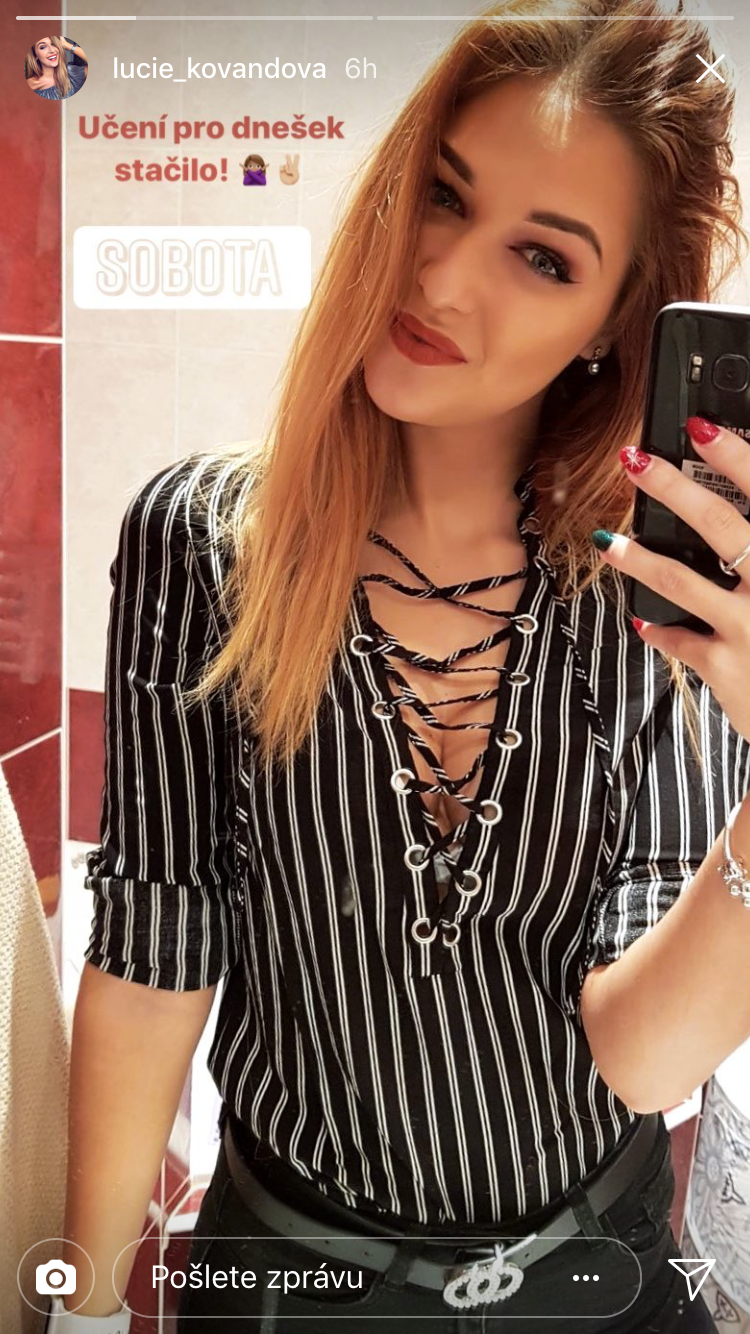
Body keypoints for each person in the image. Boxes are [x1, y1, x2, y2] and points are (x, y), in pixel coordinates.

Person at [50, 1, 750, 1331]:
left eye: (541, 256)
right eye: (442, 194)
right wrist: (79, 1304)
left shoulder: (652, 594)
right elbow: (154, 948)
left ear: (611, 322)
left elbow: (645, 1054)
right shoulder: (207, 543)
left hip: (591, 1283)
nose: (441, 278)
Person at [25, 35, 88, 101]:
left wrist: (66, 45)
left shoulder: (72, 73)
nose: (52, 50)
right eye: (43, 47)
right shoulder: (29, 85)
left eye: (53, 44)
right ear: (35, 55)